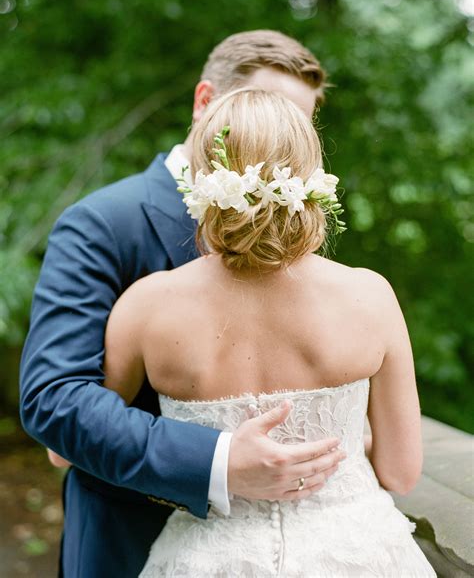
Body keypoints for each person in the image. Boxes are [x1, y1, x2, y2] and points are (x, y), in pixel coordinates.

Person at [19, 30, 344, 577]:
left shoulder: (298, 228)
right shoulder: (104, 224)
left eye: (297, 128)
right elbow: (54, 398)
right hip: (129, 537)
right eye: (265, 114)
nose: (279, 146)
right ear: (204, 103)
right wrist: (217, 462)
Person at [98, 87, 435, 576]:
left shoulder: (146, 304)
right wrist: (336, 442)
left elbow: (75, 443)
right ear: (311, 175)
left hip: (207, 558)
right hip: (356, 552)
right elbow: (402, 473)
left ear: (201, 177)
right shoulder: (370, 296)